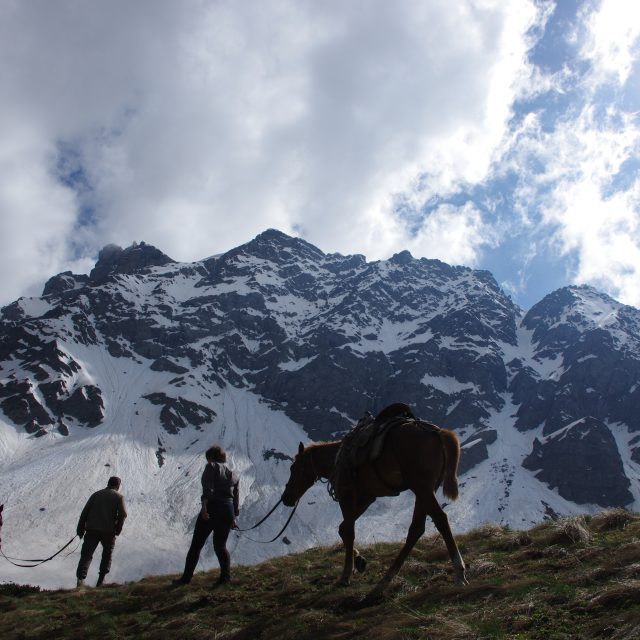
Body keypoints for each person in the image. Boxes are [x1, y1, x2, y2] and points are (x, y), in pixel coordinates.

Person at [173, 445, 239, 586]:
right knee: (221, 546)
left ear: (210, 457)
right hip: (228, 510)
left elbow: (207, 489)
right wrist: (233, 517)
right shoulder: (233, 473)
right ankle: (225, 577)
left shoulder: (211, 467)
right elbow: (235, 497)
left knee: (196, 545)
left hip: (213, 507)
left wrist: (204, 508)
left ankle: (186, 579)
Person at [75, 476, 127, 588]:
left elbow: (84, 513)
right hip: (108, 531)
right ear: (118, 486)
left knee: (86, 555)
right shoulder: (119, 497)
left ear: (108, 483)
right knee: (107, 555)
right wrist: (118, 529)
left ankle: (80, 580)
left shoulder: (96, 495)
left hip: (92, 530)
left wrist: (80, 529)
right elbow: (123, 514)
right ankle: (100, 581)